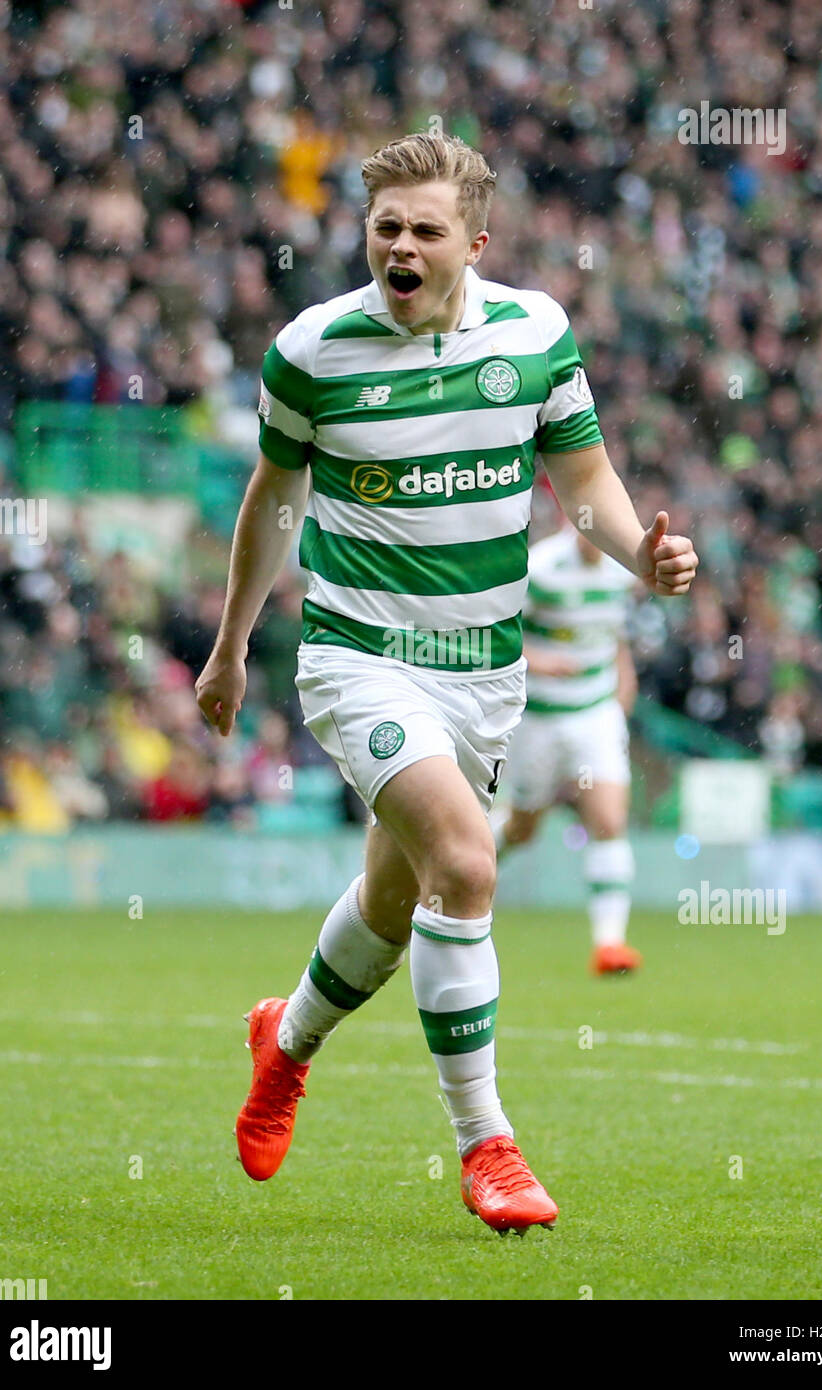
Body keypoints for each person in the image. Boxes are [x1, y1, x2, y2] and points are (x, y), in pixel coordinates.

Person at [195, 132, 698, 1235]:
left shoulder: (535, 334)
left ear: (474, 241)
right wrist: (233, 643)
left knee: (392, 901)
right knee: (468, 865)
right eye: (386, 227)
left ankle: (284, 1044)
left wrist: (639, 556)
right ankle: (489, 1145)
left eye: (425, 229)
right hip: (359, 659)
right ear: (366, 235)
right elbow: (273, 501)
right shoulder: (313, 349)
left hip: (483, 673)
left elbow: (585, 480)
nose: (402, 246)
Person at [492, 523, 642, 976]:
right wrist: (539, 661)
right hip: (539, 717)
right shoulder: (541, 568)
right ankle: (457, 872)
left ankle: (610, 944)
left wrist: (624, 687)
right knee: (523, 829)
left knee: (609, 821)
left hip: (595, 712)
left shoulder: (622, 570)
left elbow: (613, 636)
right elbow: (500, 630)